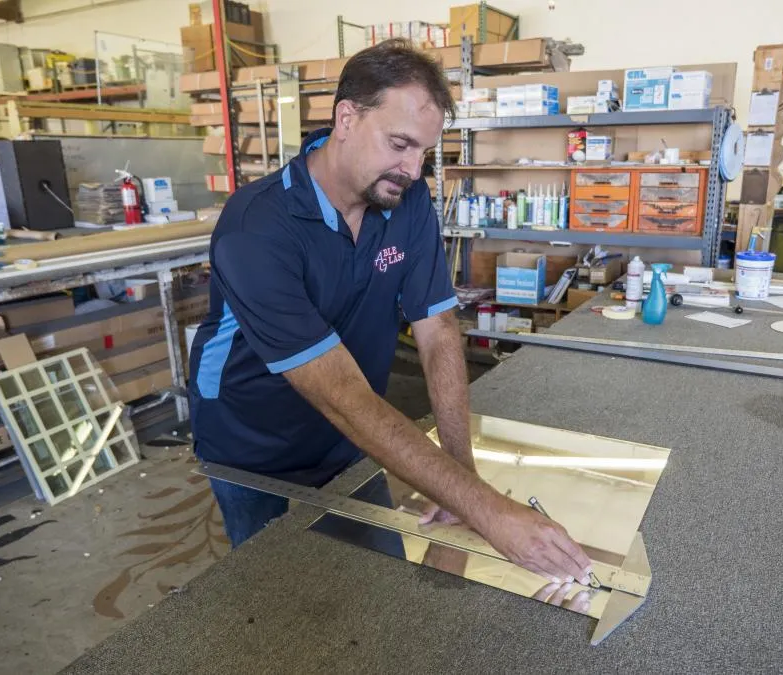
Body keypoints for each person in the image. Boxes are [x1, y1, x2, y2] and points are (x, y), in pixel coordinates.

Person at [188, 39, 593, 586]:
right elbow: (343, 396)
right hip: (250, 445)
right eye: (400, 143)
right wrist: (488, 509)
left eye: (424, 151)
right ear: (347, 118)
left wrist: (459, 477)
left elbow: (438, 331)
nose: (412, 167)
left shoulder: (406, 199)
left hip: (349, 442)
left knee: (379, 590)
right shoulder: (257, 227)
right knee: (276, 599)